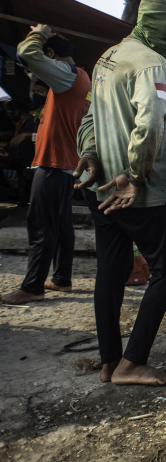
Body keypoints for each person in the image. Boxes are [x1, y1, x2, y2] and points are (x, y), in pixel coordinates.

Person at [74, 0, 166, 386]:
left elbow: (90, 115)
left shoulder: (108, 57)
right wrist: (137, 175)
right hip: (132, 191)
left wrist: (89, 152)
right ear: (152, 20)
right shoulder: (151, 63)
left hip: (99, 185)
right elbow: (152, 121)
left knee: (112, 267)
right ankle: (132, 362)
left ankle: (109, 361)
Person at [0, 26, 90, 306]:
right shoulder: (81, 76)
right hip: (65, 162)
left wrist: (38, 33)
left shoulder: (64, 75)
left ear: (50, 54)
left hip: (53, 162)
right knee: (61, 224)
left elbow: (26, 51)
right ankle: (61, 278)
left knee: (40, 225)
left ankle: (32, 286)